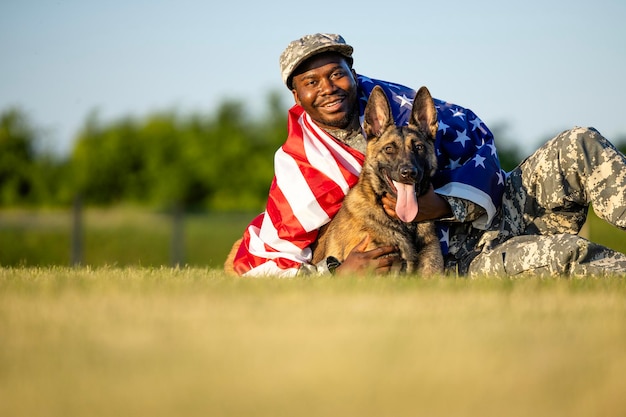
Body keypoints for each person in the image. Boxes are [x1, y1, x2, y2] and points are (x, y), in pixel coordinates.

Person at [227, 33, 626, 277]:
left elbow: (477, 149)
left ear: (353, 74)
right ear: (296, 95)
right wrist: (335, 274)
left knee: (580, 141)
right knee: (566, 255)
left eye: (336, 73)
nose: (328, 87)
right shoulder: (301, 165)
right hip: (459, 256)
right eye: (311, 81)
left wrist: (439, 204)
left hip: (497, 205)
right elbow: (290, 254)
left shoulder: (397, 108)